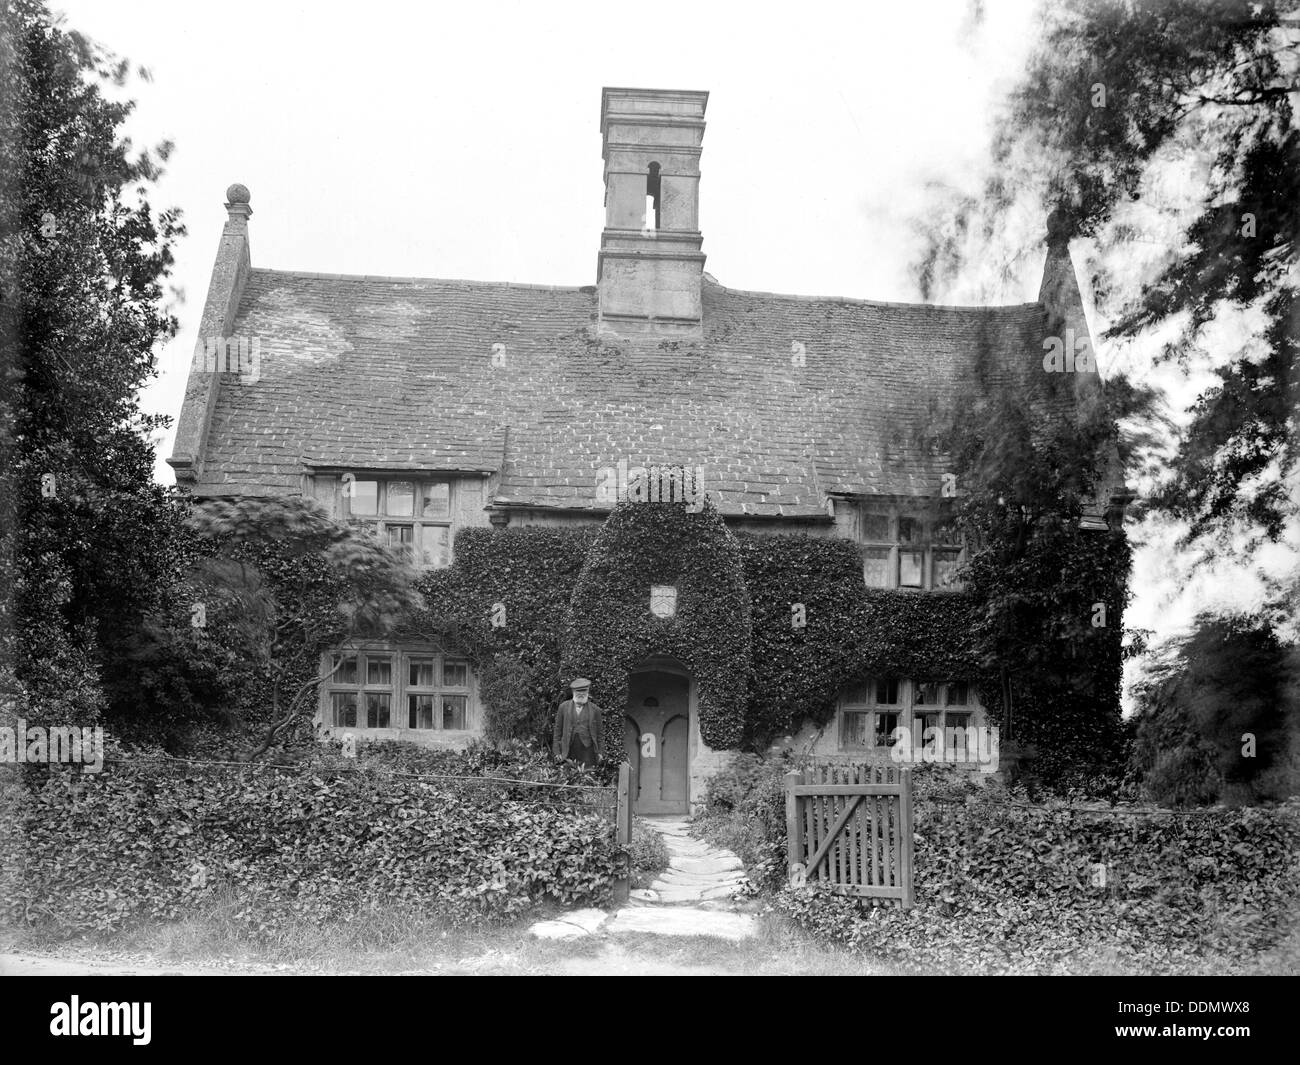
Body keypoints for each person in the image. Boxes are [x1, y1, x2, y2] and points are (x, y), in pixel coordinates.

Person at [552, 677, 605, 766]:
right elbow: (557, 731)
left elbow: (600, 734)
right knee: (567, 776)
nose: (581, 694)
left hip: (588, 750)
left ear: (588, 692)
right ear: (573, 692)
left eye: (584, 691)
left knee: (587, 776)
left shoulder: (595, 710)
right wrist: (557, 751)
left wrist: (600, 752)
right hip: (568, 749)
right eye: (578, 691)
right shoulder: (563, 707)